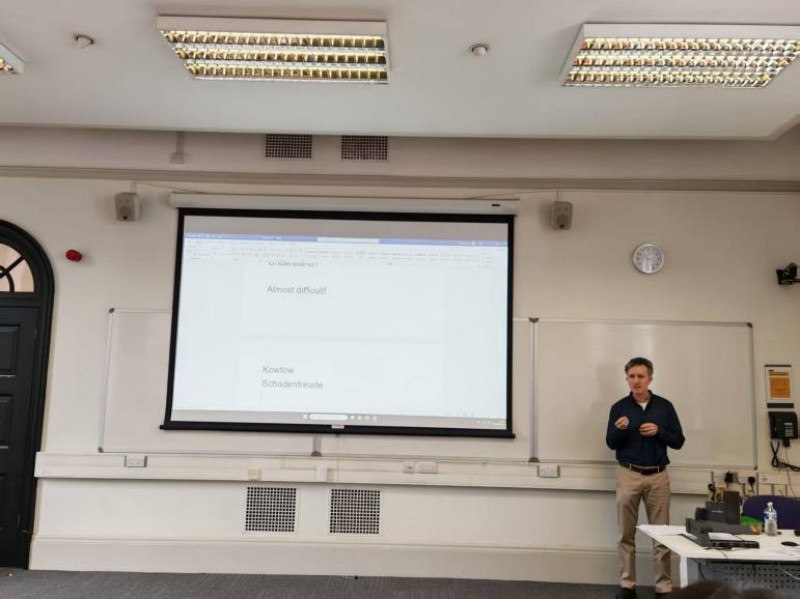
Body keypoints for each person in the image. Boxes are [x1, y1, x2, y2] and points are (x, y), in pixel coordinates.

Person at [606, 357, 685, 599]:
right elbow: (611, 443)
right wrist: (619, 429)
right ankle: (627, 585)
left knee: (661, 535)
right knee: (625, 534)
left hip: (658, 476)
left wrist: (659, 431)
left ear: (650, 378)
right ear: (627, 379)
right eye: (631, 376)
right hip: (628, 474)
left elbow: (678, 441)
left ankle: (663, 587)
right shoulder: (619, 407)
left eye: (641, 376)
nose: (636, 381)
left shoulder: (665, 406)